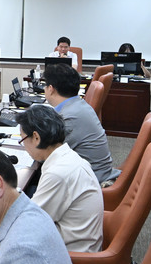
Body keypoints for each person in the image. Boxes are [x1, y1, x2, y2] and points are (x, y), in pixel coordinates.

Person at [16, 105, 103, 252]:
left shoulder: (58, 174)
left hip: (72, 255)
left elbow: (29, 223)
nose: (23, 145)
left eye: (22, 139)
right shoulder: (68, 157)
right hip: (71, 236)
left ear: (36, 138)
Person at [43, 63, 121, 184]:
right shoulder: (79, 105)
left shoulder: (68, 118)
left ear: (51, 89)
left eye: (44, 85)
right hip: (94, 172)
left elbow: (47, 155)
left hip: (90, 182)